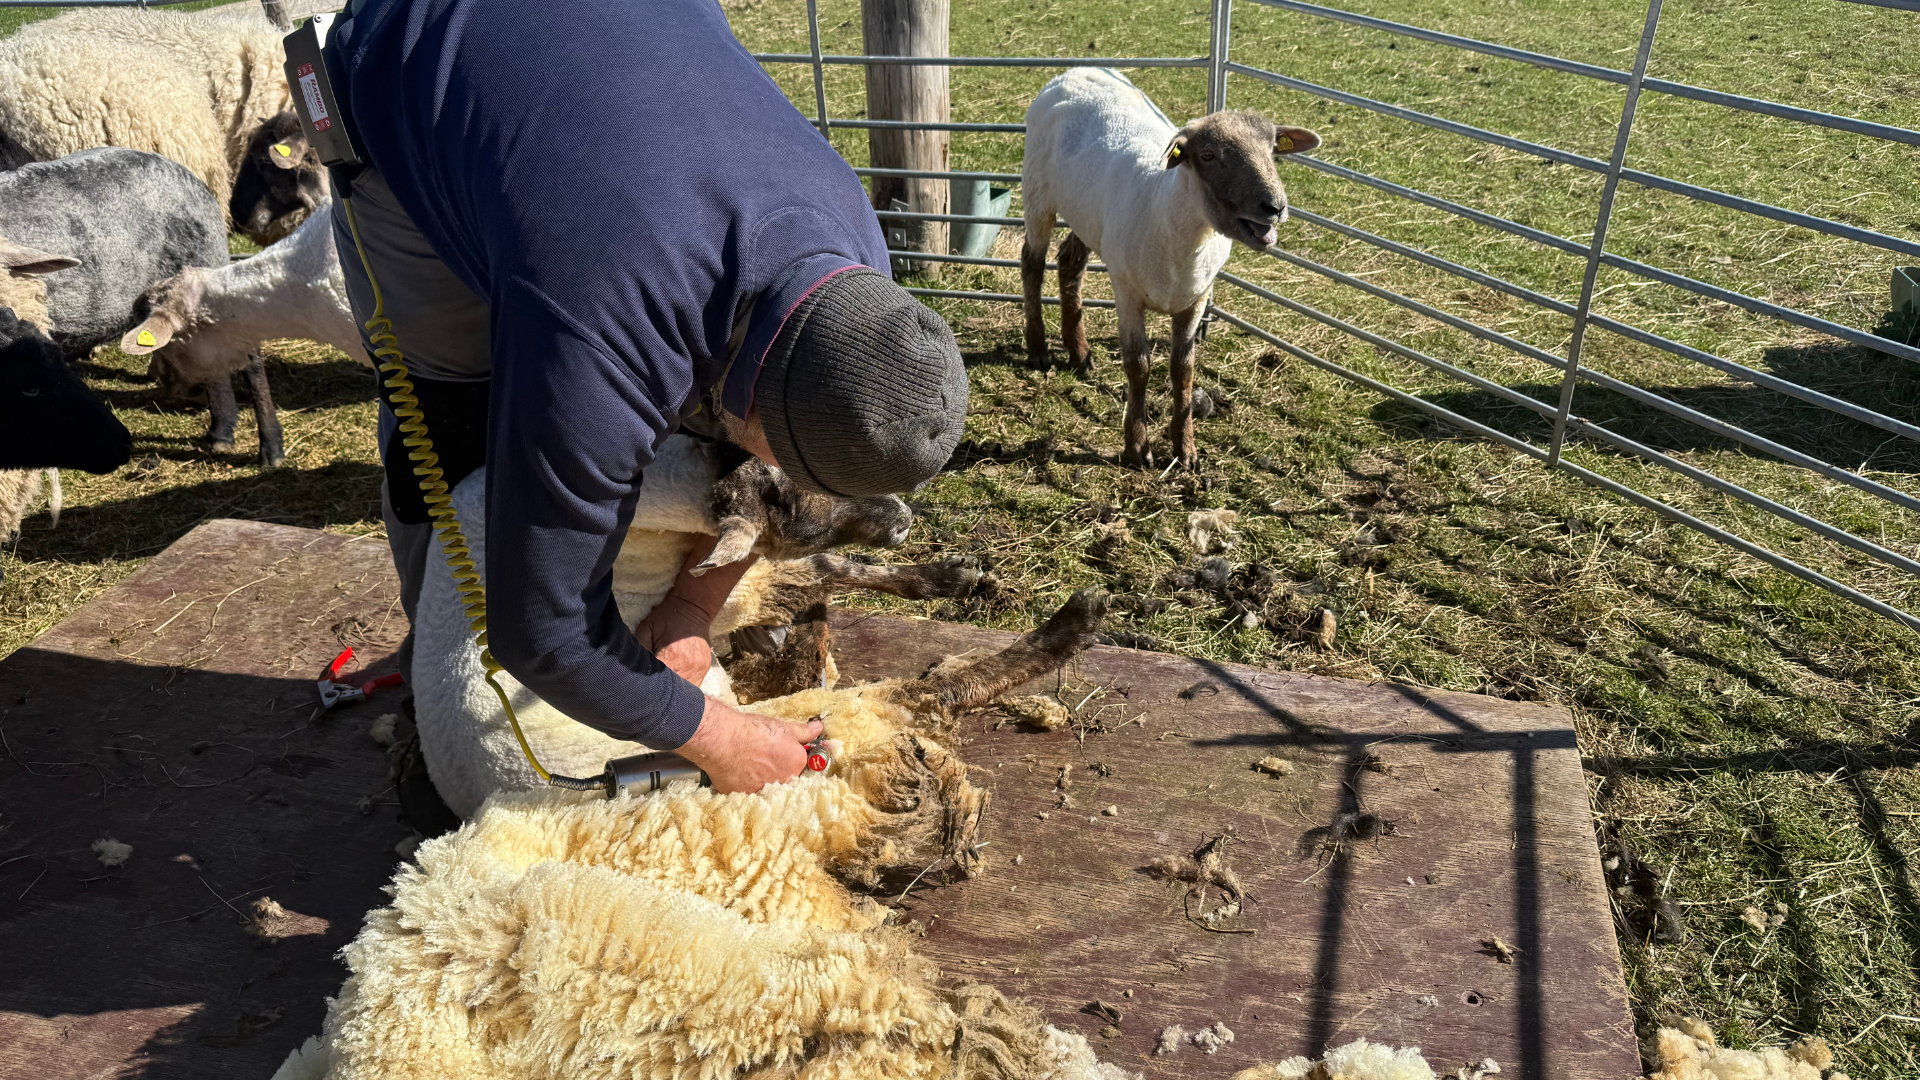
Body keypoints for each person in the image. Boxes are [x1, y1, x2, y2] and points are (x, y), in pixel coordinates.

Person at [321, 0, 968, 794]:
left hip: (604, 93)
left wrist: (696, 606)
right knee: (452, 424)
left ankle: (609, 641)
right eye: (788, 461)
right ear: (757, 413)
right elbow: (541, 633)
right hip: (409, 59)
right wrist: (720, 739)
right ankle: (438, 688)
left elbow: (771, 481)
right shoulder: (599, 332)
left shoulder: (858, 286)